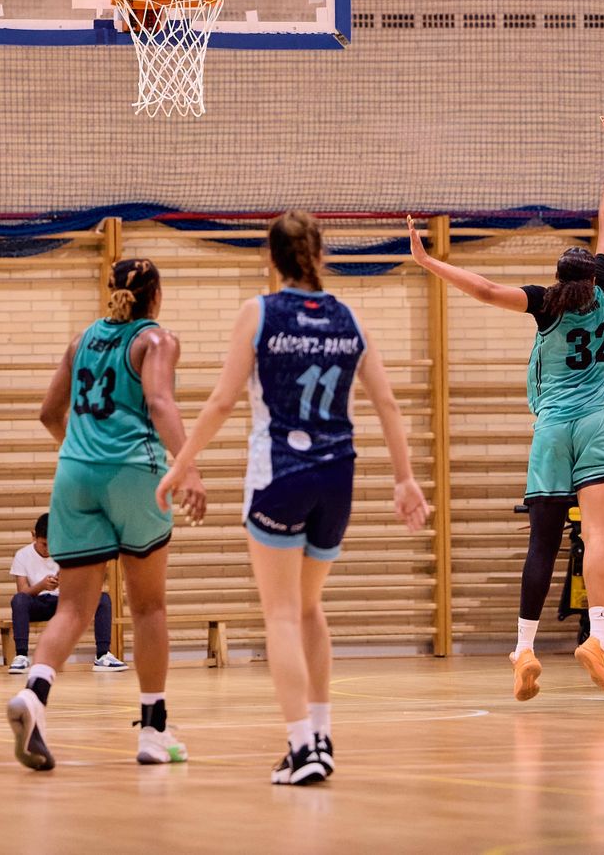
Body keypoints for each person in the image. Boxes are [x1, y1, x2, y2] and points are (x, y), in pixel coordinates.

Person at [156, 211, 431, 786]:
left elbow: (222, 402)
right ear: (320, 255)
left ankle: (302, 745)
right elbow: (387, 404)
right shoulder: (349, 316)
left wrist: (180, 466)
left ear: (271, 259)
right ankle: (322, 735)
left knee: (280, 612)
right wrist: (405, 479)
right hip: (338, 476)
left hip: (280, 472)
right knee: (309, 609)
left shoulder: (259, 312)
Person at [408, 117, 604, 697]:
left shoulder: (543, 304)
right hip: (600, 424)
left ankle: (525, 650)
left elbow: (481, 287)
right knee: (599, 539)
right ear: (593, 279)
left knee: (542, 544)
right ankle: (598, 641)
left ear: (556, 280)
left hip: (553, 428)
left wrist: (430, 262)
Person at [7, 258, 206, 773]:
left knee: (73, 606)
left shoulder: (82, 341)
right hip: (134, 473)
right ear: (155, 296)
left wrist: (81, 455)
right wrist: (187, 469)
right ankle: (153, 731)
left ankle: (34, 695)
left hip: (74, 474)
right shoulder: (156, 340)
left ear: (111, 290)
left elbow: (50, 414)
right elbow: (160, 402)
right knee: (148, 608)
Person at [8, 513, 125, 674]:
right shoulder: (22, 555)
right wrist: (42, 585)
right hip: (38, 604)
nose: (49, 549)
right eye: (44, 544)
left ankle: (103, 655)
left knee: (102, 598)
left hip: (64, 603)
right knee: (18, 599)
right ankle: (21, 655)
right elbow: (23, 591)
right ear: (33, 536)